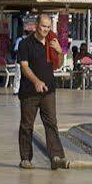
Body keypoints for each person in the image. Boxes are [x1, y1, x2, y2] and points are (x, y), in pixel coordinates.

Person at [14, 13, 70, 171]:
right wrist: (36, 81)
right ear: (36, 25)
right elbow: (24, 66)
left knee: (51, 123)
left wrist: (59, 51)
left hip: (49, 90)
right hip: (29, 92)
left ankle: (56, 157)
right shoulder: (26, 44)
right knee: (27, 125)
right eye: (43, 26)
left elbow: (57, 65)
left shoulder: (52, 42)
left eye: (48, 26)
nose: (45, 29)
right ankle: (25, 158)